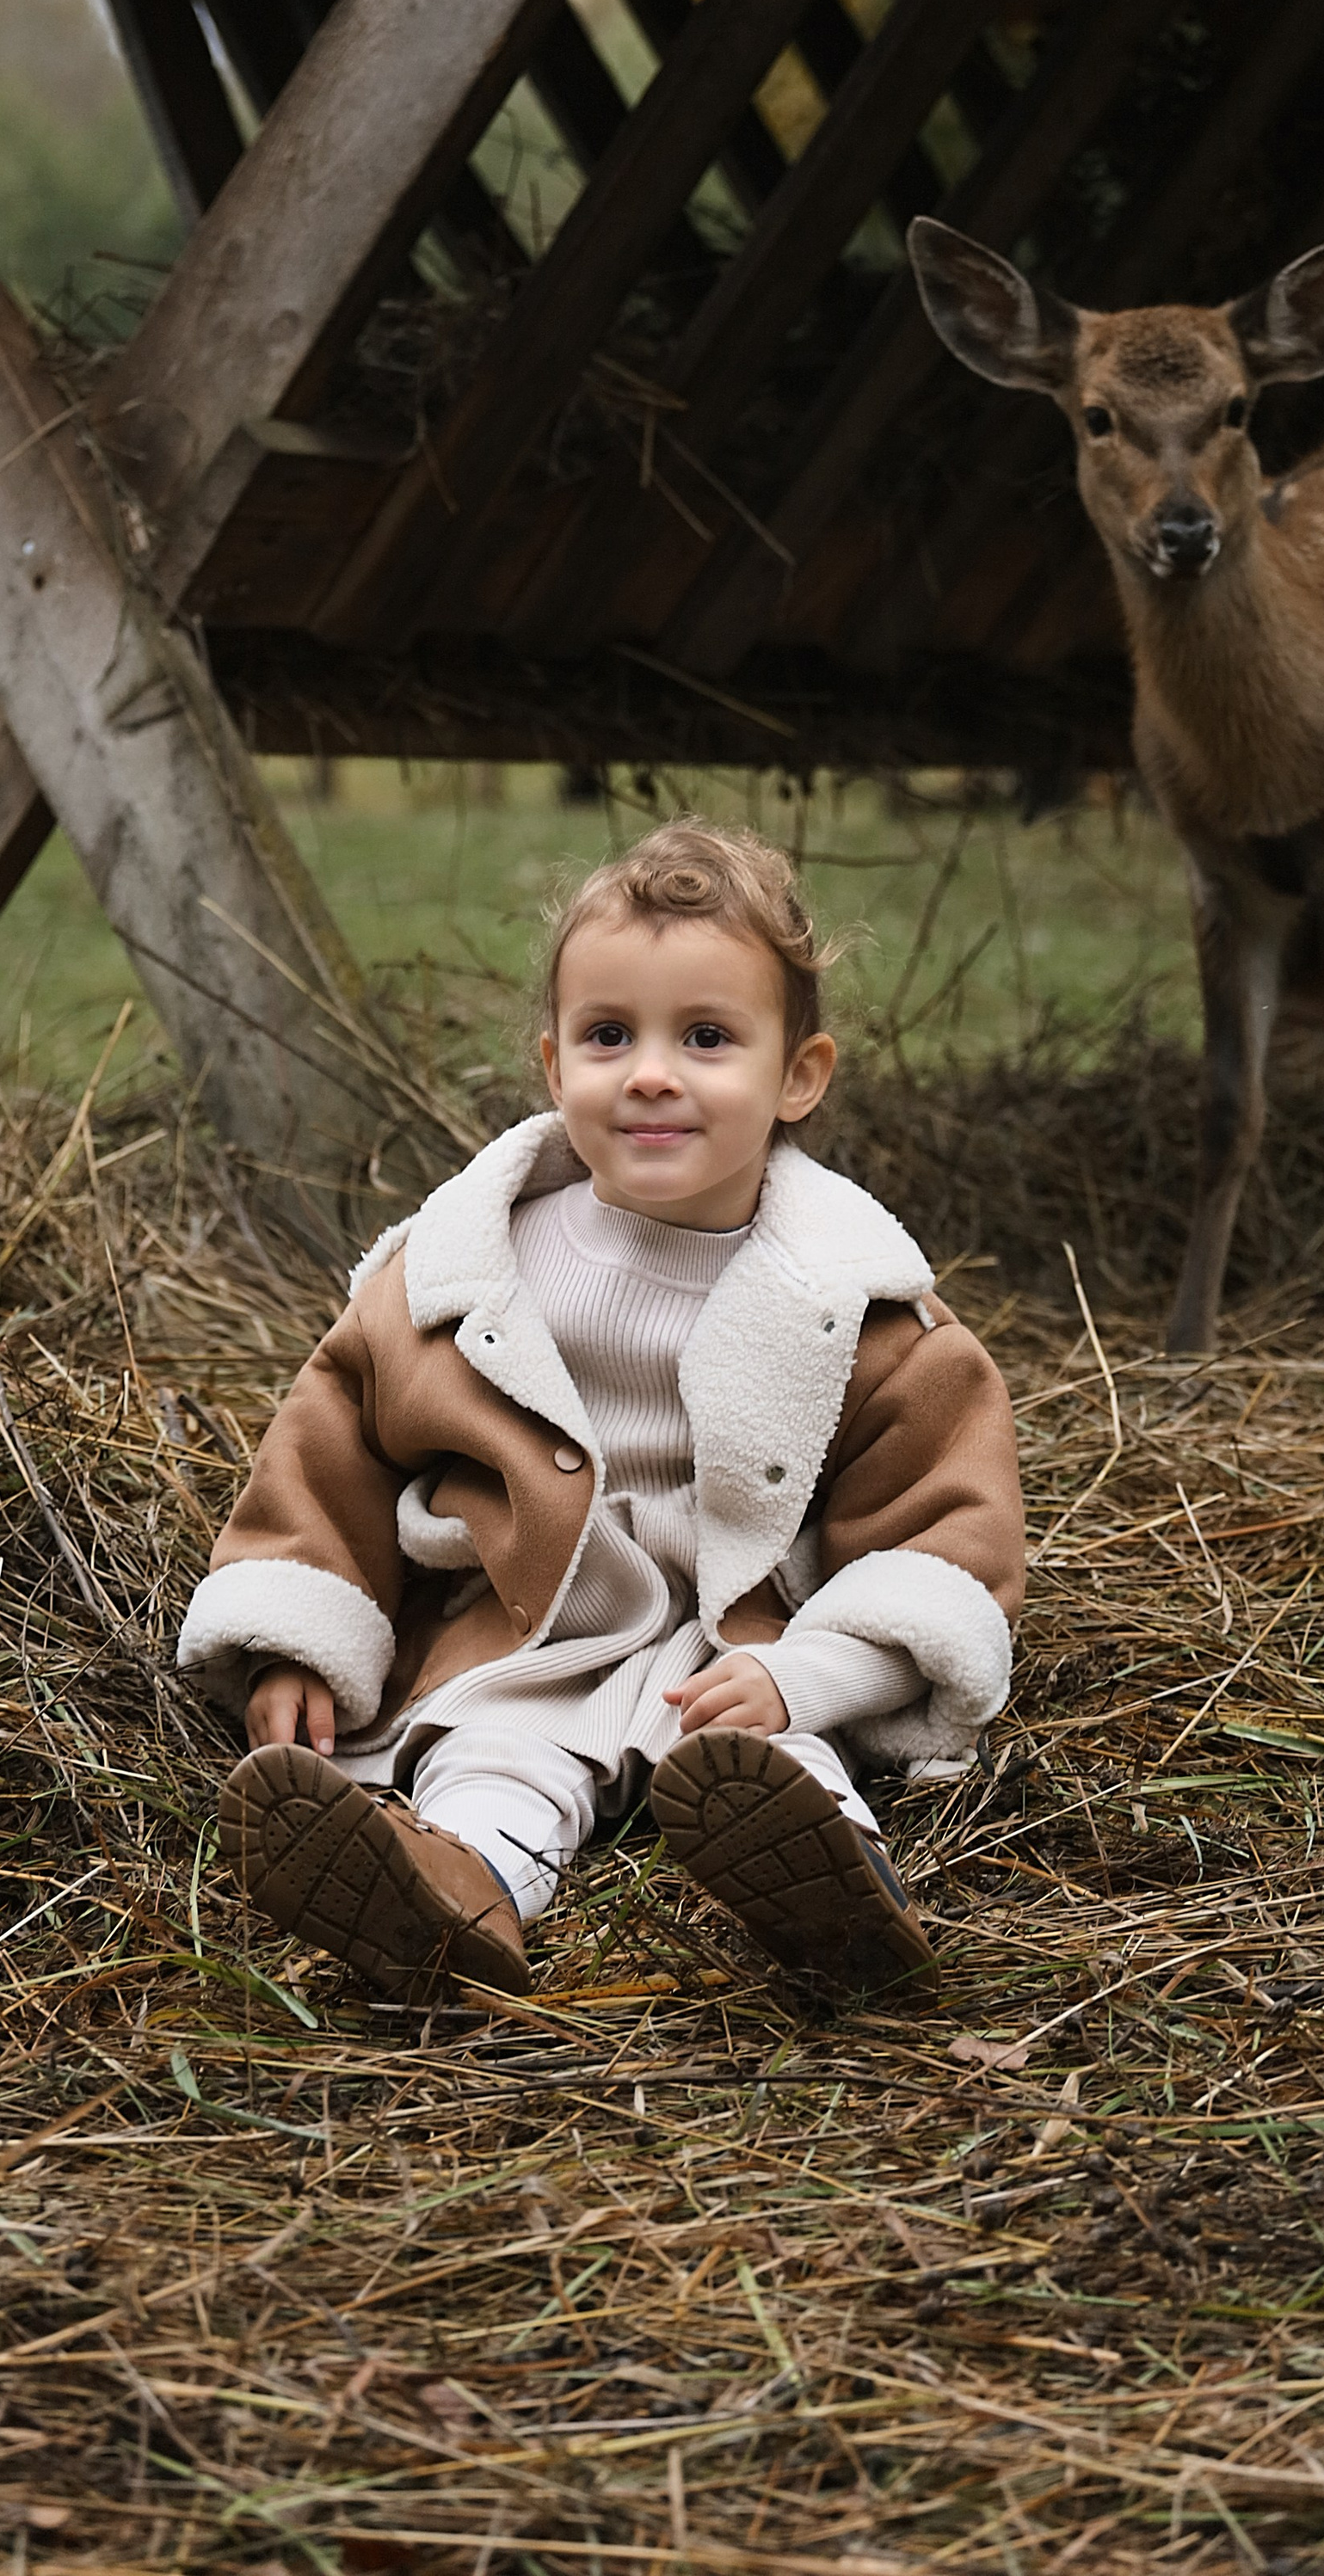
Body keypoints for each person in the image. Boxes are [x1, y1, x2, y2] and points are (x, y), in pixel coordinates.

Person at [179, 817, 1024, 2001]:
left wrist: (821, 1673)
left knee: (772, 1763)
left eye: (709, 1037)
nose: (652, 1073)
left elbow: (945, 1527)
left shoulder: (856, 1306)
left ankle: (840, 1905)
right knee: (493, 1760)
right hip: (528, 1629)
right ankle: (453, 1894)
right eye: (609, 1035)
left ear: (800, 1077)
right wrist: (295, 1637)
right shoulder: (461, 1274)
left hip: (741, 1650)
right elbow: (334, 1451)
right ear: (552, 1063)